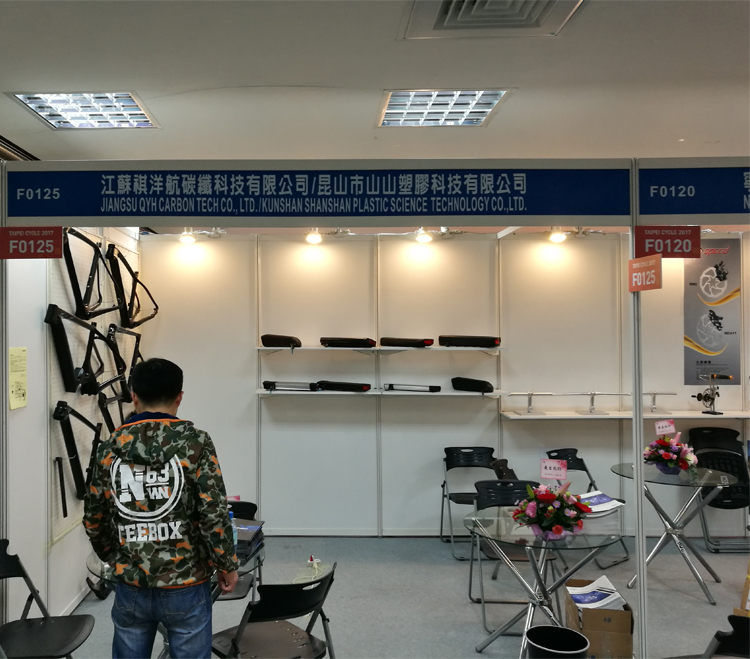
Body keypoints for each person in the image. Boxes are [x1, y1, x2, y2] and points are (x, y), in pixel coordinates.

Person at [83, 358, 238, 659]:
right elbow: (213, 513)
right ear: (179, 396)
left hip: (131, 579)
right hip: (186, 580)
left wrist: (114, 556)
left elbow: (94, 518)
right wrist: (226, 564)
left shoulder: (109, 447)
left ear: (134, 396)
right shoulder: (197, 443)